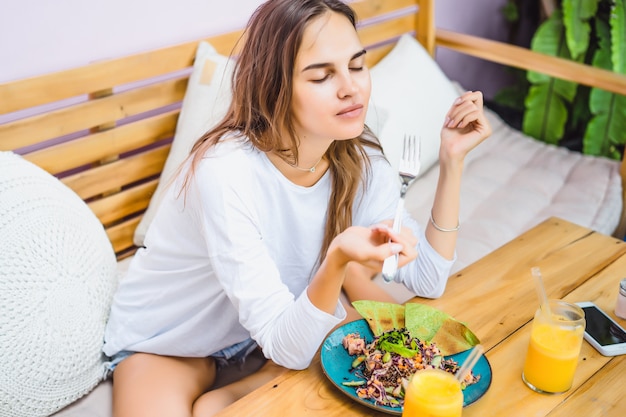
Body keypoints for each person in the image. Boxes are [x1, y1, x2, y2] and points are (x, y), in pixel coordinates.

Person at [102, 0, 492, 415]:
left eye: (357, 66)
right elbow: (288, 346)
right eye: (323, 75)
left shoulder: (362, 160)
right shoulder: (225, 172)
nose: (350, 88)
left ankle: (243, 387)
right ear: (276, 88)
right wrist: (337, 260)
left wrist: (452, 160)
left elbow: (429, 278)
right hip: (171, 339)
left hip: (265, 331)